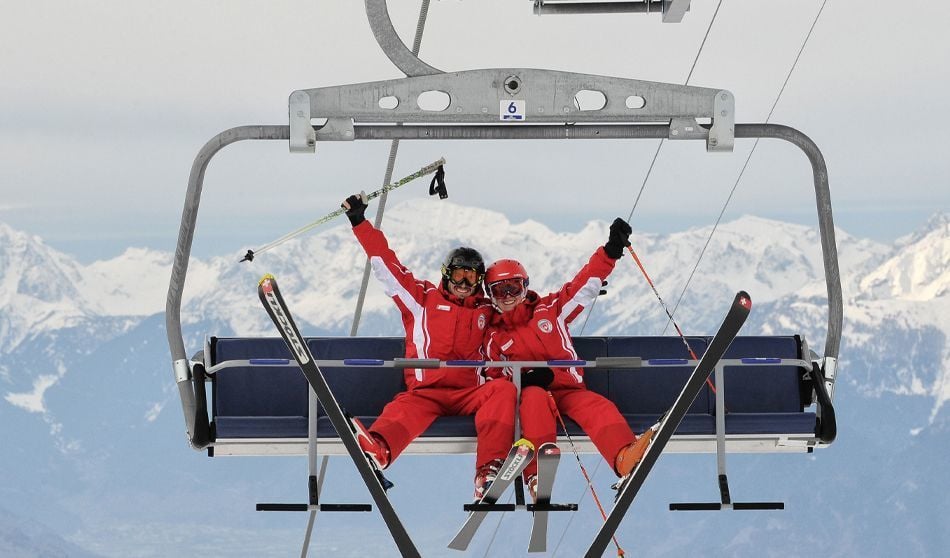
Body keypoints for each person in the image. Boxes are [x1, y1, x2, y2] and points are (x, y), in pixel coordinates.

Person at [340, 192, 516, 499]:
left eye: (472, 277)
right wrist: (359, 222)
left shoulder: (487, 310)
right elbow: (387, 266)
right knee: (405, 408)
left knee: (502, 390)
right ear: (446, 274)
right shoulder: (422, 299)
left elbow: (525, 315)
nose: (464, 284)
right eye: (459, 275)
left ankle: (488, 472)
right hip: (427, 392)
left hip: (469, 394)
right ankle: (380, 448)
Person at [482, 217, 650, 499]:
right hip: (530, 396)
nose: (508, 296)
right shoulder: (493, 336)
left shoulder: (551, 310)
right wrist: (521, 381)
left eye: (515, 288)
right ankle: (536, 475)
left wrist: (610, 251)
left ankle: (623, 456)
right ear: (491, 295)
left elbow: (583, 286)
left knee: (598, 406)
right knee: (535, 402)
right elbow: (492, 378)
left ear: (526, 287)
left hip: (568, 389)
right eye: (500, 290)